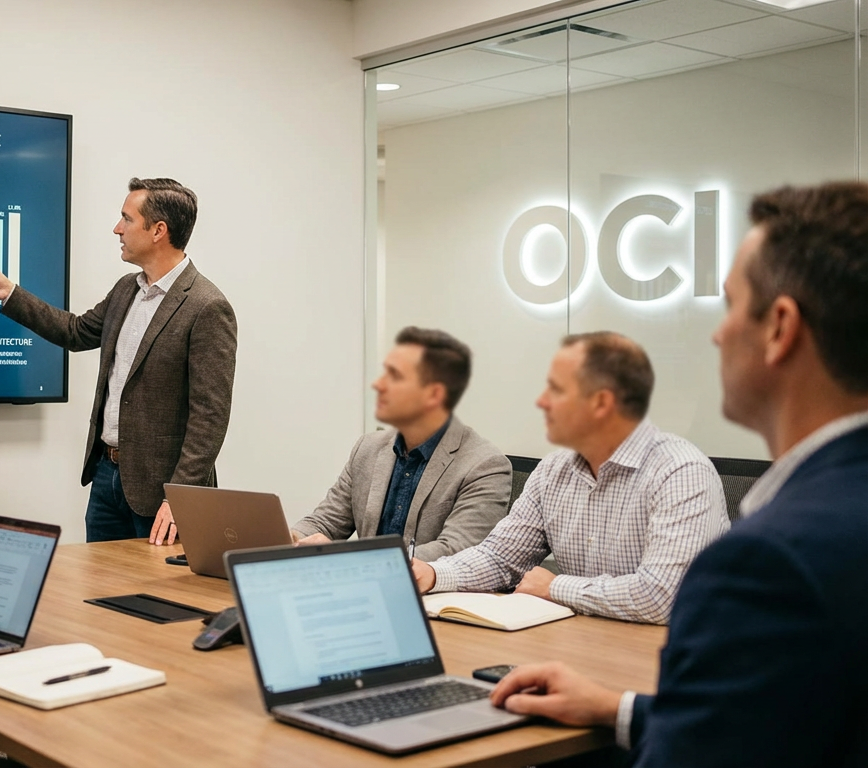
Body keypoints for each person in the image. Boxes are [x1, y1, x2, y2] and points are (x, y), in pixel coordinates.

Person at [489, 182, 868, 766]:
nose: (717, 334)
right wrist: (616, 709)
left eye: (731, 305)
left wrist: (554, 586)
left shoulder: (769, 560)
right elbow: (778, 718)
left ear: (780, 327)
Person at [0, 177, 237, 545]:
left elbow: (210, 416)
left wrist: (181, 498)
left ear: (159, 230)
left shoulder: (207, 306)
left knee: (160, 598)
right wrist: (11, 294)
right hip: (106, 479)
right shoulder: (127, 289)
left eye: (127, 219)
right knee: (99, 595)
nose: (117, 229)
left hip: (163, 497)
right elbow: (76, 332)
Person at [412, 332, 728, 624]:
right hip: (585, 645)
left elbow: (663, 596)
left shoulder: (681, 472)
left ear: (602, 403)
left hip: (674, 662)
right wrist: (434, 574)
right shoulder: (553, 471)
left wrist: (556, 588)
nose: (541, 402)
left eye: (556, 390)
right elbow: (500, 558)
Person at [289, 326, 510, 560]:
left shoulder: (486, 466)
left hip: (434, 594)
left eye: (394, 377)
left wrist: (349, 557)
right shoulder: (367, 447)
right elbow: (327, 521)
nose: (378, 385)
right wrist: (289, 539)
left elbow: (455, 551)